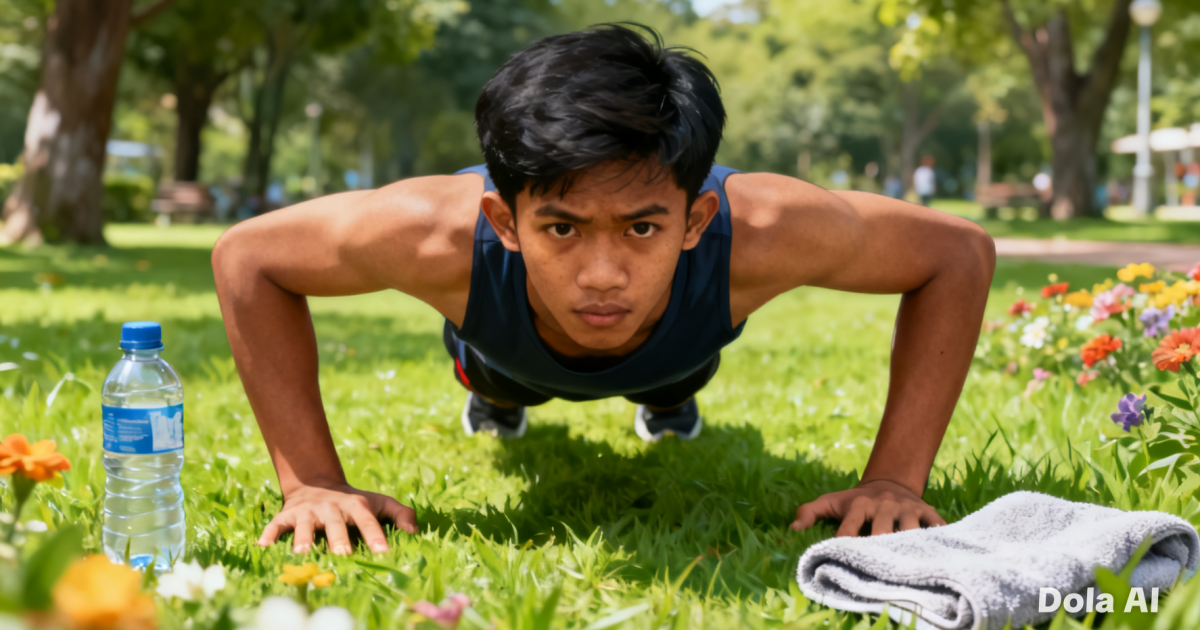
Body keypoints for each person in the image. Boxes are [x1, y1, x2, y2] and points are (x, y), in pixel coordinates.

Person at [212, 25, 994, 556]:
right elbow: (249, 257)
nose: (601, 273)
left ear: (698, 218)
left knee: (678, 367)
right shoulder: (430, 233)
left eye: (642, 229)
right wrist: (310, 480)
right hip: (503, 350)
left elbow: (956, 253)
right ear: (504, 220)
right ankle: (498, 400)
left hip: (680, 348)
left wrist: (895, 478)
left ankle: (667, 399)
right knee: (498, 373)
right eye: (562, 229)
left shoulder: (772, 228)